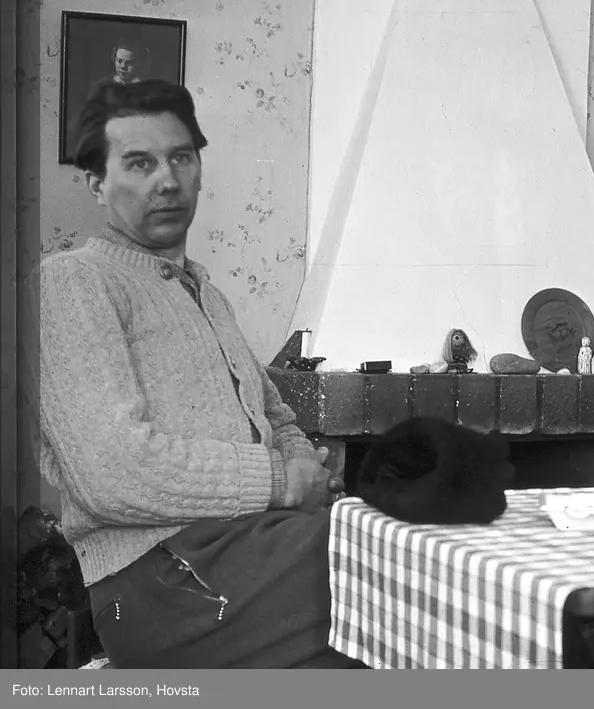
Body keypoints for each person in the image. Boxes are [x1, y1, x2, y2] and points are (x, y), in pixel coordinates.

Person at [38, 80, 364, 668]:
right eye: (139, 163)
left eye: (181, 158)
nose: (167, 180)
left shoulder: (207, 294)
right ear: (96, 183)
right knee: (378, 573)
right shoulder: (72, 282)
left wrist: (308, 471)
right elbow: (112, 473)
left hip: (251, 545)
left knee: (392, 560)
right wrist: (284, 481)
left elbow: (276, 416)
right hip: (156, 578)